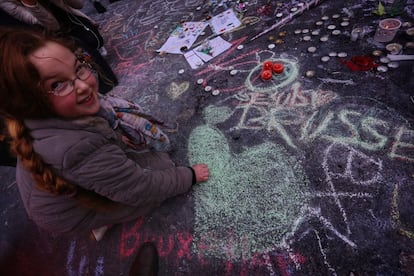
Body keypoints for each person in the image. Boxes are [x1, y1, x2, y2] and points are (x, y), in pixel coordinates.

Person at [0, 27, 210, 237]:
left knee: (152, 162)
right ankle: (96, 219)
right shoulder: (75, 148)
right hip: (68, 215)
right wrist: (187, 176)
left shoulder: (50, 121)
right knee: (161, 170)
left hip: (63, 189)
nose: (83, 85)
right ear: (30, 104)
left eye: (78, 67)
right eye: (57, 84)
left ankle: (99, 194)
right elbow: (140, 188)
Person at [0, 0, 118, 94]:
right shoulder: (7, 2)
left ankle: (101, 77)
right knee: (81, 58)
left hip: (72, 22)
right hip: (50, 34)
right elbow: (53, 25)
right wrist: (32, 4)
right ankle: (99, 83)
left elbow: (78, 4)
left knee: (90, 48)